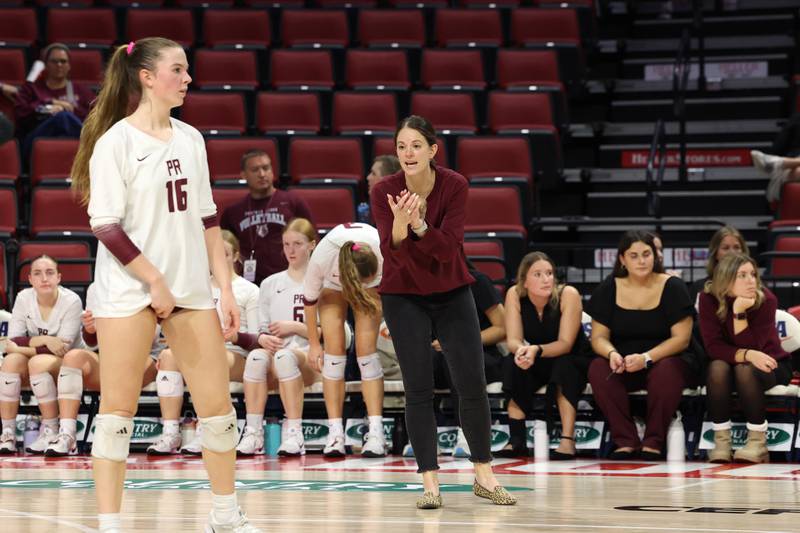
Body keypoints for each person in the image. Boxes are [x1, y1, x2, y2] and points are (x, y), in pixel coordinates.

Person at [69, 37, 260, 532]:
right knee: (116, 413)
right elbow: (105, 226)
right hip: (128, 290)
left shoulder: (190, 138)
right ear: (147, 77)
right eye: (178, 70)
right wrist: (154, 280)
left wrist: (223, 288)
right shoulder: (116, 143)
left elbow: (208, 220)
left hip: (190, 290)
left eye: (188, 69)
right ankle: (110, 525)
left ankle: (225, 516)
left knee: (218, 411)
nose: (188, 78)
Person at [371, 115, 516, 509]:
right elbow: (391, 250)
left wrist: (418, 225)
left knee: (471, 385)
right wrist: (402, 225)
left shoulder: (454, 185)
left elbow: (447, 249)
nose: (408, 153)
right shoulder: (384, 189)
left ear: (433, 150)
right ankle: (429, 485)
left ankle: (484, 476)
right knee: (417, 389)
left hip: (452, 289)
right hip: (403, 295)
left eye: (416, 145)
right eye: (402, 146)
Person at [147, 230, 259, 456]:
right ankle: (171, 433)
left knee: (207, 358)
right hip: (200, 351)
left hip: (235, 354)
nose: (218, 259)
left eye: (225, 254)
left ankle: (207, 429)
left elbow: (257, 339)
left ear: (236, 256)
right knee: (169, 356)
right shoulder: (197, 288)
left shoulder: (248, 290)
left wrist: (232, 335)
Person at [587, 230, 696, 460]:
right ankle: (625, 440)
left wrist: (646, 358)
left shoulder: (672, 286)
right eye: (634, 255)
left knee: (667, 371)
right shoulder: (609, 288)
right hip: (625, 361)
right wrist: (612, 353)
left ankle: (654, 441)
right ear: (622, 260)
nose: (641, 260)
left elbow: (681, 339)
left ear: (655, 256)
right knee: (598, 368)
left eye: (646, 254)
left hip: (667, 358)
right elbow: (598, 337)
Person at [237, 217, 321, 456]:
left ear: (312, 245)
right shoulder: (270, 284)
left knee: (285, 357)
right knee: (255, 357)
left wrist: (294, 327)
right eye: (286, 244)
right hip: (278, 356)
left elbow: (339, 335)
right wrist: (263, 339)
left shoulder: (321, 282)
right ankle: (253, 433)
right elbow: (261, 329)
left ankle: (294, 433)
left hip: (309, 358)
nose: (291, 250)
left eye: (297, 243)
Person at [303, 222, 387, 458]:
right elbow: (309, 303)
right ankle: (335, 433)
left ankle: (376, 432)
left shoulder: (383, 250)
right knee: (333, 355)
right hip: (332, 285)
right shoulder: (322, 258)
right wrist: (313, 343)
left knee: (367, 355)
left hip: (369, 281)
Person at [698, 254, 792, 464]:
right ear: (725, 278)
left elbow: (756, 349)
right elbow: (713, 347)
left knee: (744, 369)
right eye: (742, 275)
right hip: (733, 363)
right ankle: (722, 441)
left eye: (753, 274)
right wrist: (747, 354)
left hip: (771, 364)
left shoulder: (766, 299)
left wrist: (739, 312)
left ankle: (757, 442)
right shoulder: (707, 299)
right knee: (717, 367)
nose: (751, 280)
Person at [46, 284, 158, 457]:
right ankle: (67, 435)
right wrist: (90, 330)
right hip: (108, 354)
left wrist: (111, 326)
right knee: (73, 357)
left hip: (144, 354)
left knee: (126, 367)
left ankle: (119, 432)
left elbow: (151, 335)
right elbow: (92, 342)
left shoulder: (147, 283)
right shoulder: (96, 287)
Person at [502, 252, 591, 459]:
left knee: (564, 367)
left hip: (572, 357)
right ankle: (516, 440)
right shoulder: (514, 294)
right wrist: (522, 352)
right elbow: (513, 339)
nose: (546, 279)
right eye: (538, 274)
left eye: (549, 273)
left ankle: (567, 440)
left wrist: (536, 350)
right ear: (524, 281)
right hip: (537, 356)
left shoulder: (568, 294)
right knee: (512, 363)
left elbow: (565, 344)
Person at [0, 256, 82, 454]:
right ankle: (8, 433)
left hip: (70, 361)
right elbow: (14, 340)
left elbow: (62, 347)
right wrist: (44, 341)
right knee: (10, 362)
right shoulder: (24, 297)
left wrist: (20, 347)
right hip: (36, 359)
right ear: (30, 279)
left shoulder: (72, 300)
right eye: (37, 273)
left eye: (50, 272)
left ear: (59, 277)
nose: (44, 278)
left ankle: (51, 430)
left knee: (36, 361)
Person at [432, 257, 507, 458]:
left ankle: (466, 433)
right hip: (440, 355)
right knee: (420, 361)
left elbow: (502, 328)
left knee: (456, 356)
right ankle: (424, 437)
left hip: (482, 355)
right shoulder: (426, 285)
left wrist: (462, 341)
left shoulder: (478, 281)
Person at [220, 149, 313, 285]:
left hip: (289, 280)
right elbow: (225, 249)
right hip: (250, 283)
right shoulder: (233, 212)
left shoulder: (293, 202)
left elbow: (312, 238)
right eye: (255, 170)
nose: (262, 174)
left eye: (266, 168)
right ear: (243, 175)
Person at [15, 43, 95, 161]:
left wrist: (72, 110)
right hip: (36, 142)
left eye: (63, 61)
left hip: (72, 141)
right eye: (54, 61)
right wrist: (49, 104)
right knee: (62, 117)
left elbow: (95, 115)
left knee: (65, 119)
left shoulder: (81, 90)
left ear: (69, 65)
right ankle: (94, 145)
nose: (59, 65)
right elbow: (21, 114)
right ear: (46, 65)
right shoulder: (31, 89)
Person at [689, 226, 749, 301]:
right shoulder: (700, 288)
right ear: (715, 254)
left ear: (743, 252)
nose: (732, 253)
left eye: (736, 247)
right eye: (726, 248)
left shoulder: (753, 287)